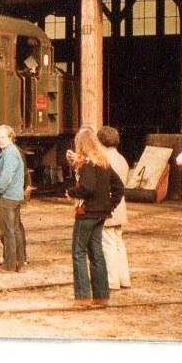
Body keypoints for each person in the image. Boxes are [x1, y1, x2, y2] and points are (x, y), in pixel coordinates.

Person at [66, 126, 124, 307]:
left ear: (81, 144)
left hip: (86, 214)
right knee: (96, 254)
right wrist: (109, 206)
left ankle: (82, 297)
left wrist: (71, 192)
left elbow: (88, 187)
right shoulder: (103, 162)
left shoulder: (86, 163)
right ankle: (101, 296)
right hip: (100, 215)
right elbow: (119, 187)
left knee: (78, 253)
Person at [97, 126, 131, 290]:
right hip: (120, 207)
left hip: (108, 206)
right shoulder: (122, 159)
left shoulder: (104, 160)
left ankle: (112, 281)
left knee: (108, 244)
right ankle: (124, 279)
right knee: (118, 243)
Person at [0, 125, 27, 272]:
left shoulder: (9, 153)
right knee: (15, 229)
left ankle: (10, 264)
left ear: (10, 137)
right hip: (14, 196)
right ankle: (20, 263)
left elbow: (6, 176)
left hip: (7, 196)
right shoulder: (11, 151)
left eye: (2, 137)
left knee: (8, 231)